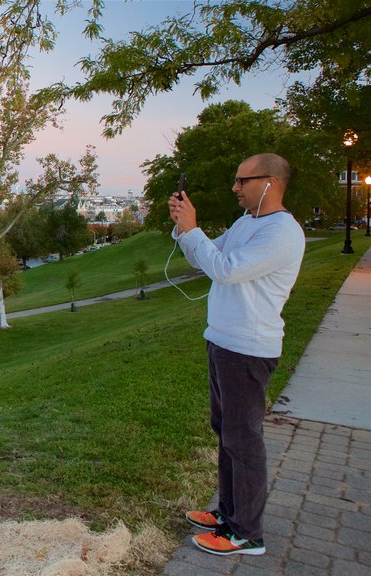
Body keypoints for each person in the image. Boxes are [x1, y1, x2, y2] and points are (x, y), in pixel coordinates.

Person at [169, 153, 305, 557]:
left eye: (241, 181)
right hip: (224, 341)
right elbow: (208, 259)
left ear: (268, 182)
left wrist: (193, 230)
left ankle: (247, 533)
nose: (235, 188)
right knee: (226, 432)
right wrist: (184, 229)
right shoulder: (248, 223)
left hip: (248, 348)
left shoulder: (282, 233)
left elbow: (227, 269)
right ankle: (228, 514)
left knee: (243, 439)